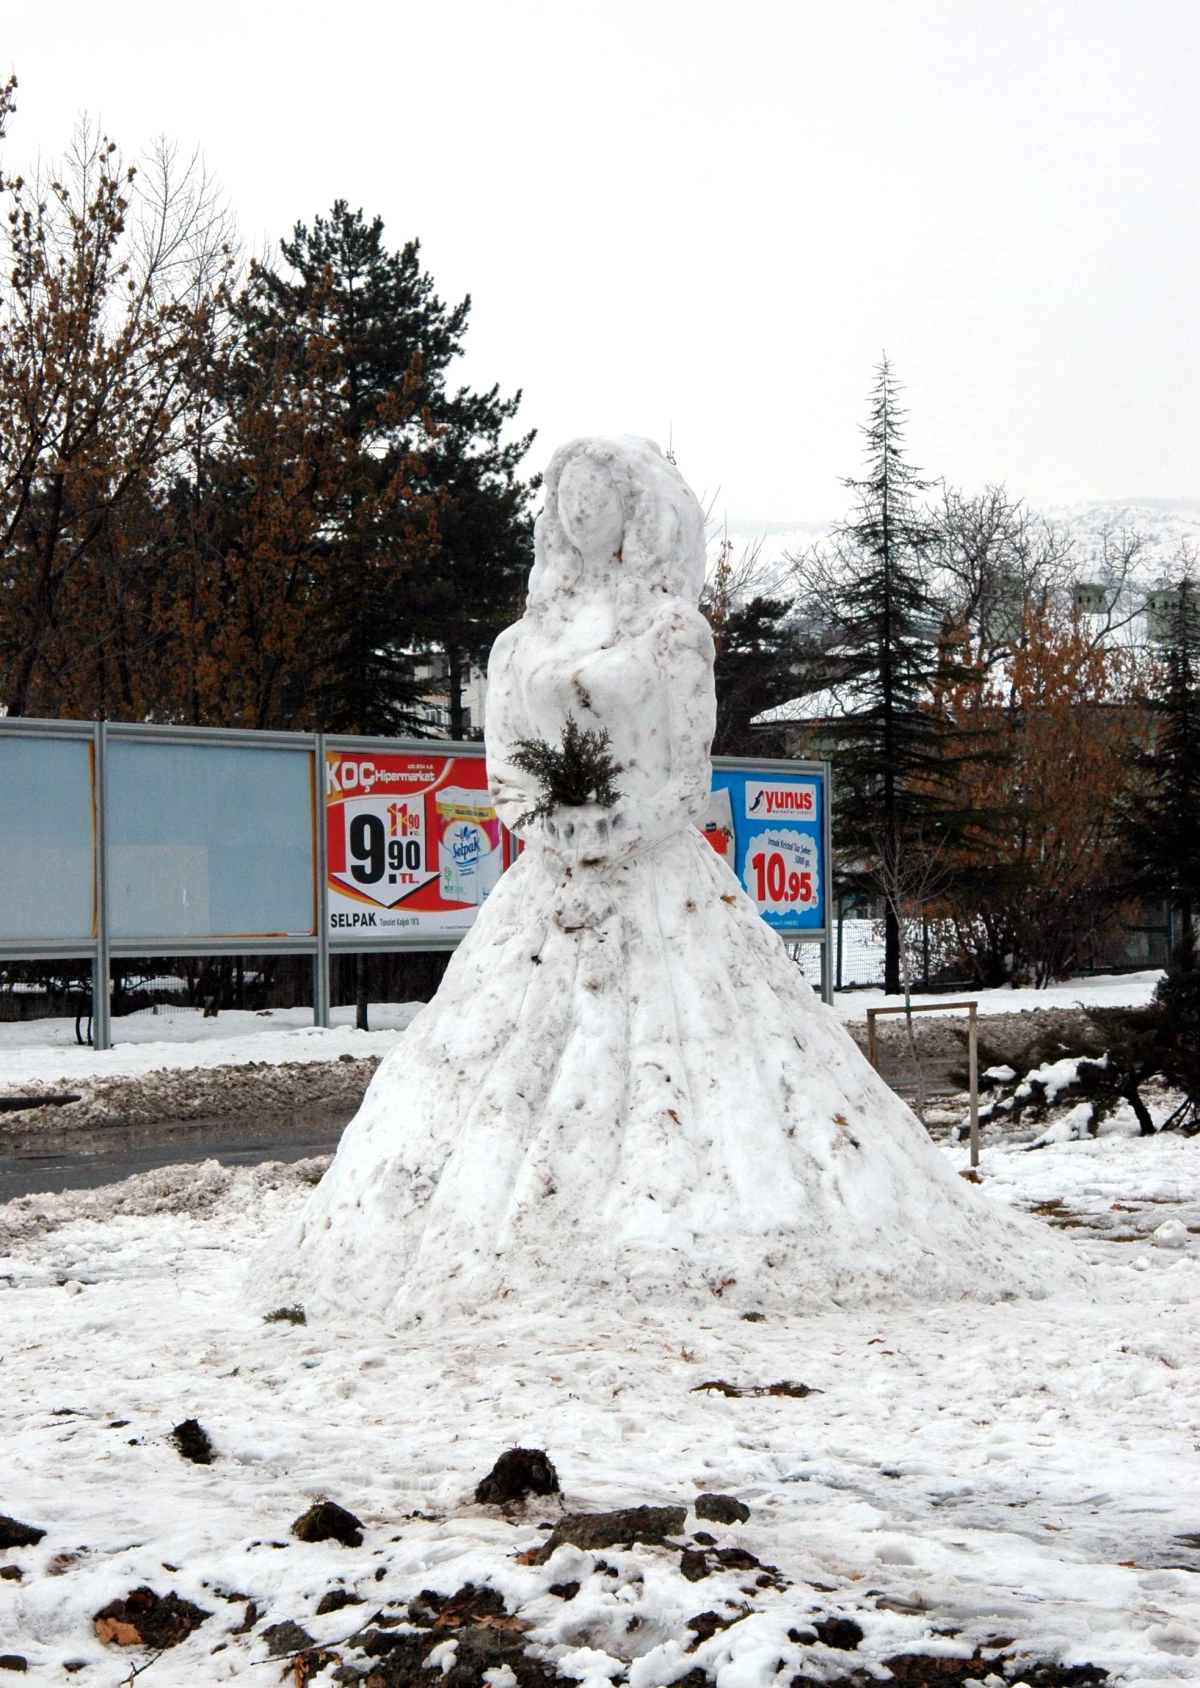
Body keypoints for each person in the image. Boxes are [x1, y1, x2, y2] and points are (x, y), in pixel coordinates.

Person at [259, 437, 1068, 1323]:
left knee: (704, 1067)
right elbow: (501, 772)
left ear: (634, 513)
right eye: (564, 495)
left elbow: (687, 775)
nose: (578, 510)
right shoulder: (517, 643)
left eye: (596, 494)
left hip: (658, 878)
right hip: (545, 888)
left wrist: (617, 824)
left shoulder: (672, 630)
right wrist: (549, 821)